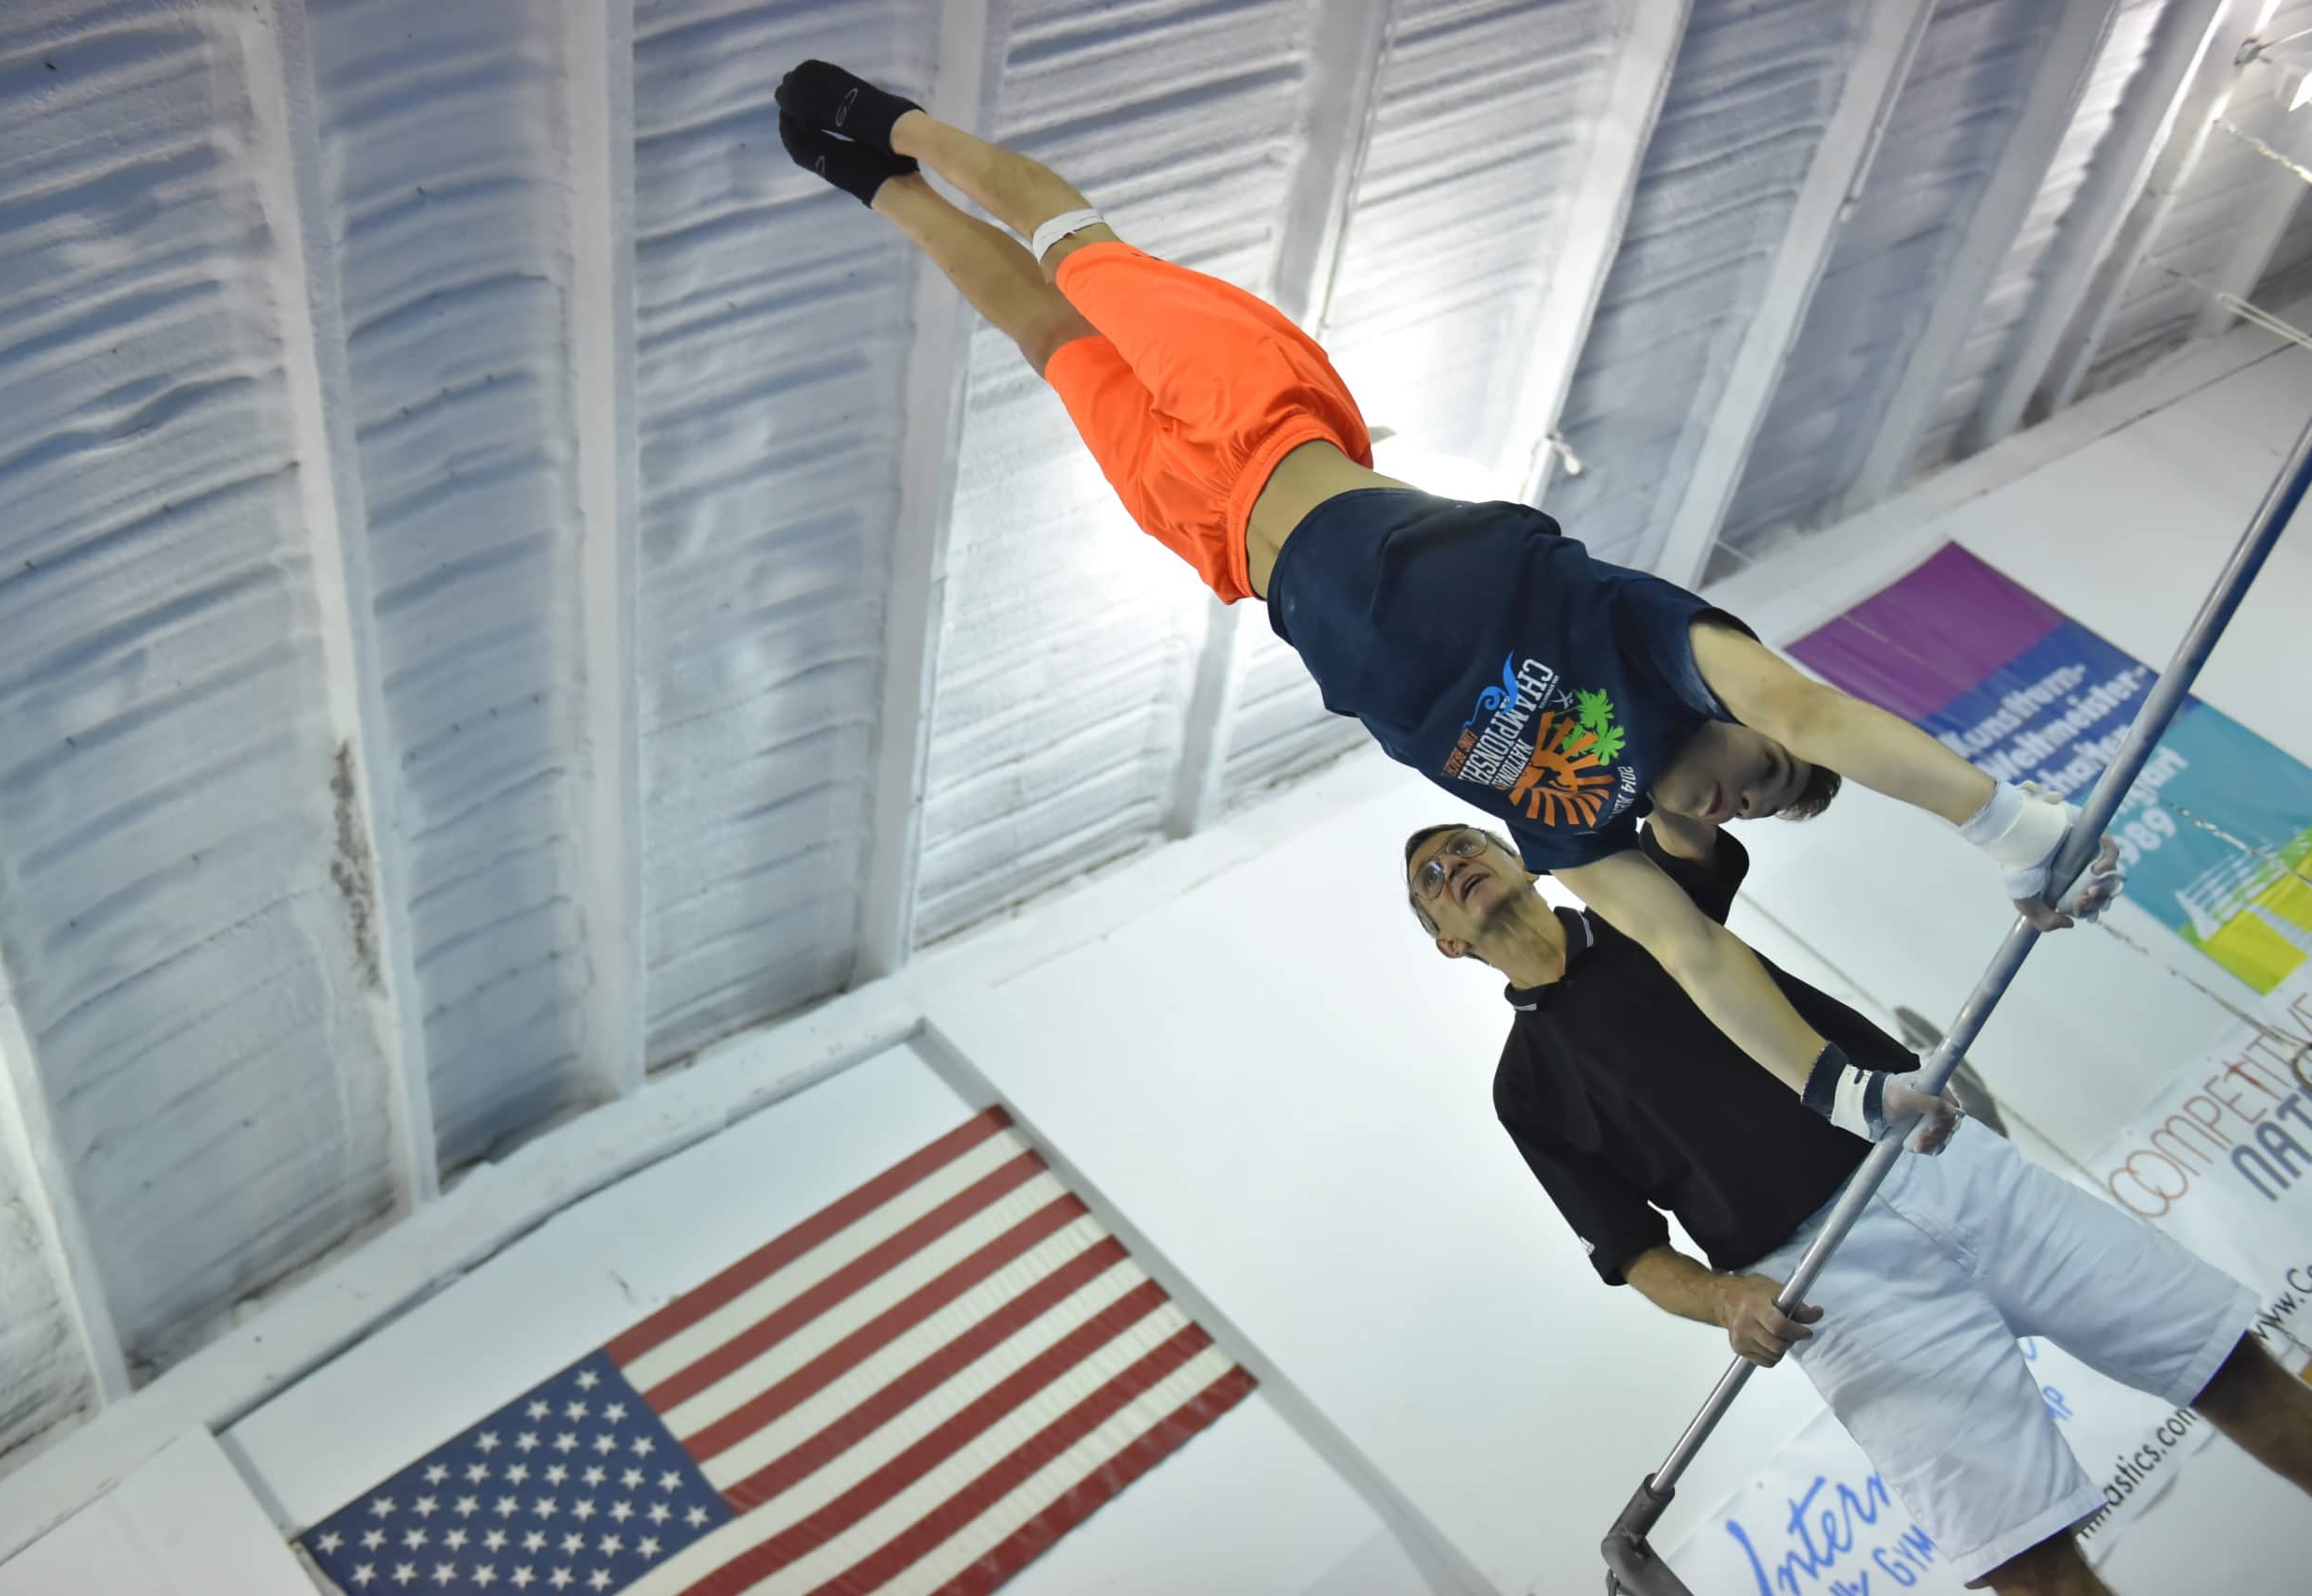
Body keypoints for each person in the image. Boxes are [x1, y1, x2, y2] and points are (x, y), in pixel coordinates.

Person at [768, 61, 2124, 1116]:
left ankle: (876, 189)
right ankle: (904, 127)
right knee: (1081, 253)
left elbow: (1701, 957)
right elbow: (1818, 717)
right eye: (1758, 773)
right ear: (1740, 716)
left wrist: (1842, 1093)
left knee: (1042, 333)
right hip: (1272, 422)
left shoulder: (1578, 827)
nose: (1738, 799)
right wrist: (2016, 829)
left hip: (1221, 539)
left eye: (1752, 812)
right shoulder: (1658, 643)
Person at [1401, 811, 2312, 1594]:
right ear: (1448, 942)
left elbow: (1683, 824)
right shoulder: (1524, 1092)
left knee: (2221, 1363)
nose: (1454, 865)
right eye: (1432, 880)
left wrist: (1625, 764)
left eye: (1465, 844)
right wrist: (1727, 1300)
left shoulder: (1643, 903)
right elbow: (1632, 1252)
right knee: (2021, 1556)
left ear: (1522, 858)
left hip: (1932, 1162)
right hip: (1829, 1286)